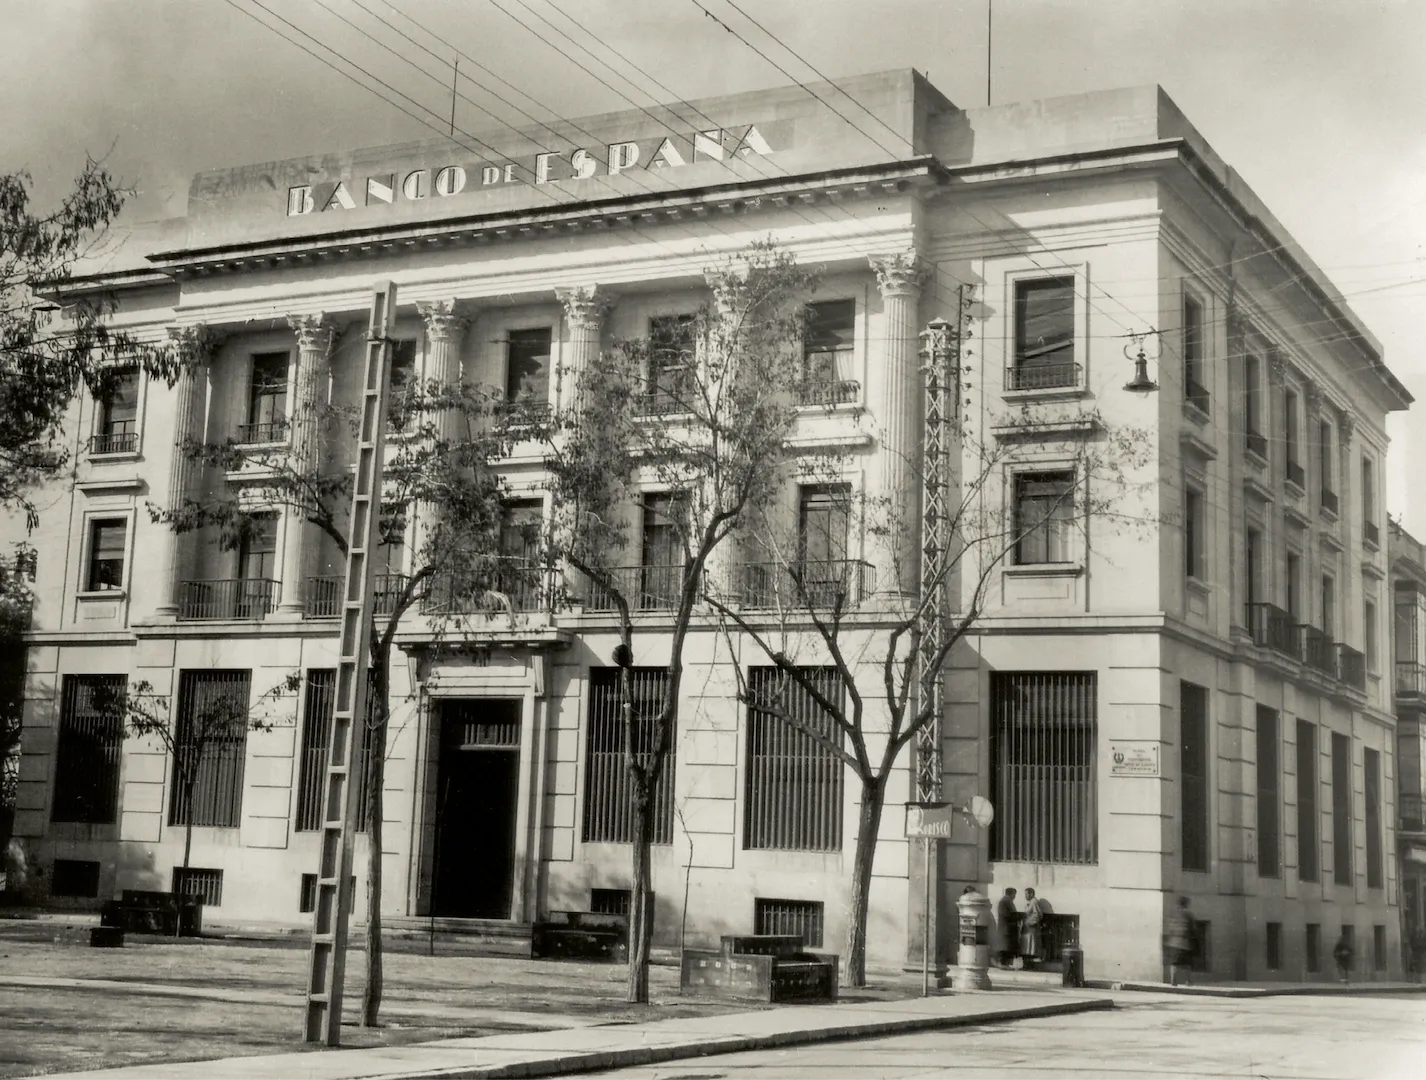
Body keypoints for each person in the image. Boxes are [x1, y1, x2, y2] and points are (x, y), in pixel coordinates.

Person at [1164, 895, 1195, 986]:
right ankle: (1188, 981)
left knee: (1174, 963)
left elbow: (1169, 928)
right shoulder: (1188, 915)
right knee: (1187, 964)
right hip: (1185, 942)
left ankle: (1173, 981)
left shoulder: (1174, 914)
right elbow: (1191, 928)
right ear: (1186, 904)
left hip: (1174, 942)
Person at [1020, 887, 1051, 969]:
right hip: (1027, 929)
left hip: (1031, 929)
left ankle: (1029, 966)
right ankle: (1027, 965)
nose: (1025, 896)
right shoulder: (1030, 902)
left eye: (1027, 894)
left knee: (1030, 947)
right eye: (1025, 894)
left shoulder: (1034, 902)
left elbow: (1038, 914)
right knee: (1027, 947)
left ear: (1031, 894)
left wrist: (1028, 922)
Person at [995, 888, 1019, 968]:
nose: (1015, 897)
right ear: (1010, 894)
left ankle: (1006, 963)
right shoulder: (1004, 902)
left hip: (1008, 929)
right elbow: (1006, 914)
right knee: (1005, 946)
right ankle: (1003, 963)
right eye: (1014, 894)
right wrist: (1018, 917)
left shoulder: (1007, 902)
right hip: (1005, 928)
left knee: (1008, 946)